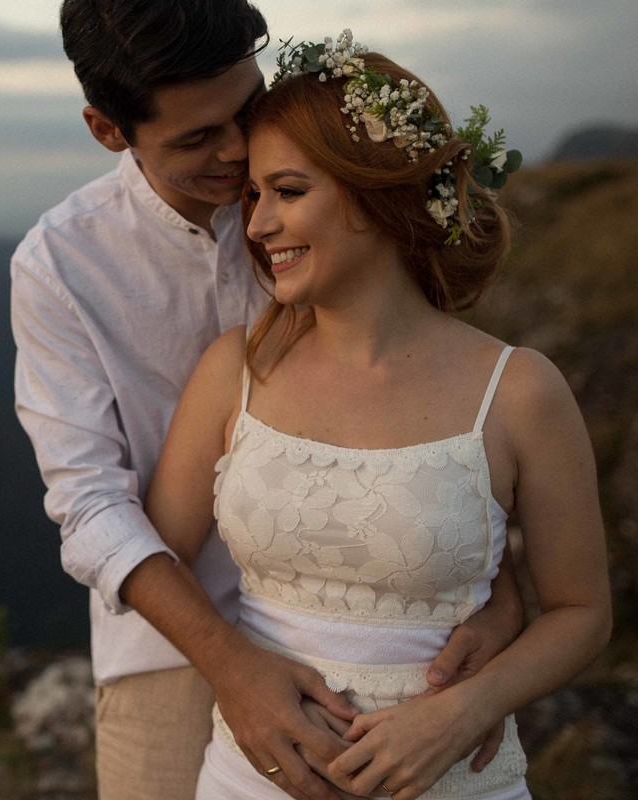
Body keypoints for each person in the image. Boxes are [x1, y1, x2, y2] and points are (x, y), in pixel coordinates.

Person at [11, 3, 526, 799]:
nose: (234, 150)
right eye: (194, 139)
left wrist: (499, 597)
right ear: (109, 131)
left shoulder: (327, 207)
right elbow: (86, 503)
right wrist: (230, 666)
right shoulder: (61, 265)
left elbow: (445, 422)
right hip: (169, 648)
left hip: (399, 638)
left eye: (244, 111)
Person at [145, 32, 613, 799]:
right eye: (254, 196)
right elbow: (155, 553)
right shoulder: (236, 371)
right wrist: (235, 670)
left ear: (377, 193)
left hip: (456, 782)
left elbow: (583, 611)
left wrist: (470, 707)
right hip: (251, 780)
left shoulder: (520, 391)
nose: (258, 226)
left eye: (288, 192)